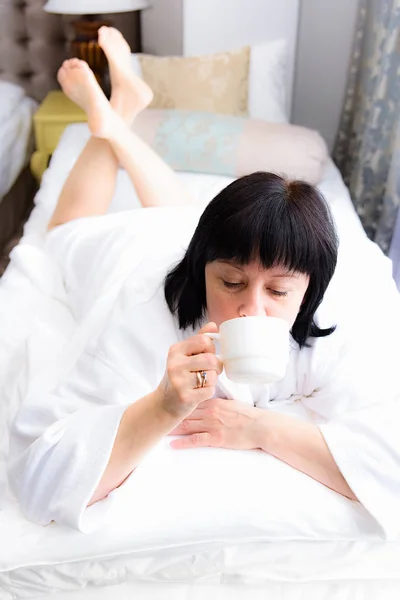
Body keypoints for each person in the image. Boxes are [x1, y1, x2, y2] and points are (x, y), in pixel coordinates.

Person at [8, 28, 400, 537]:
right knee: (65, 232)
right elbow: (41, 476)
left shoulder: (327, 319)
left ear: (308, 290)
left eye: (278, 292)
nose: (251, 311)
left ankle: (123, 109)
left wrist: (260, 428)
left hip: (191, 234)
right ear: (204, 269)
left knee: (181, 213)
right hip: (134, 256)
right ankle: (113, 119)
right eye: (231, 283)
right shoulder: (145, 316)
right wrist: (161, 406)